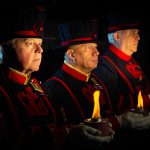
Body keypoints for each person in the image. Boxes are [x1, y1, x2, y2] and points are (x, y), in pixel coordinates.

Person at [0, 7, 113, 150]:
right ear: (5, 49)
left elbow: (58, 125)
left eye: (40, 44)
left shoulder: (36, 85)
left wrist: (81, 130)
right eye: (29, 43)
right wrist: (66, 135)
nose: (40, 50)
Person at [43, 19, 115, 150]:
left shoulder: (95, 80)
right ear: (71, 55)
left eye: (96, 46)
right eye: (88, 47)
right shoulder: (54, 87)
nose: (97, 52)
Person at [92, 12, 150, 149]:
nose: (139, 37)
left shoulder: (131, 59)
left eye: (138, 33)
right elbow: (109, 102)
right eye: (132, 33)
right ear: (117, 36)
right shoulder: (105, 64)